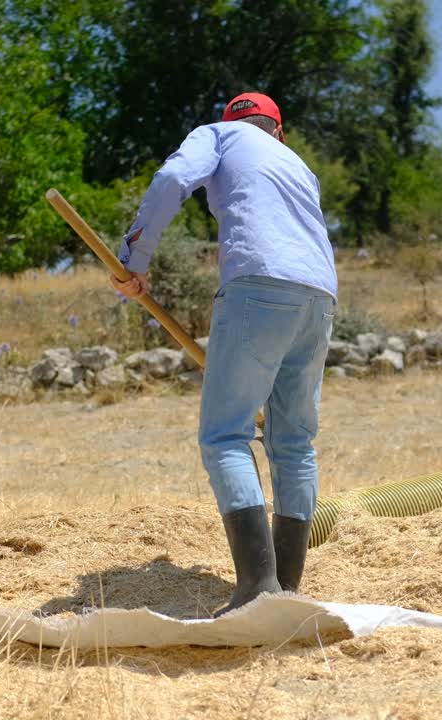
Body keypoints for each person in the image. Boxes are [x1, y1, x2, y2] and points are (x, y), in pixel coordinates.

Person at [112, 92, 337, 614]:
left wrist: (134, 259)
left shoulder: (218, 134)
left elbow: (173, 178)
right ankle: (285, 590)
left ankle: (258, 588)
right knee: (294, 443)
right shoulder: (298, 165)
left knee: (225, 435)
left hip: (257, 285)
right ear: (279, 131)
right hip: (320, 296)